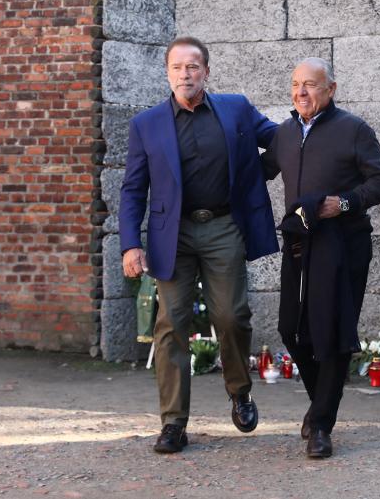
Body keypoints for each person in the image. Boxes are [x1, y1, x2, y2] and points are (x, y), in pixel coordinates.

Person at [119, 36, 278, 454]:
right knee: (171, 324)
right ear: (167, 73)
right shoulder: (147, 124)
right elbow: (133, 189)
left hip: (224, 226)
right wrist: (130, 245)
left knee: (232, 316)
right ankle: (173, 423)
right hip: (172, 236)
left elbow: (279, 142)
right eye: (177, 67)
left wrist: (258, 176)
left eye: (193, 66)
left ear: (206, 71)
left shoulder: (236, 109)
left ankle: (240, 391)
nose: (185, 74)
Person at [262, 57, 380, 458]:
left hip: (344, 243)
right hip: (300, 243)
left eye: (311, 85)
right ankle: (320, 403)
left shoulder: (353, 129)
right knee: (291, 329)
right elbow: (257, 173)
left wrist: (347, 202)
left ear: (331, 89)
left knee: (334, 334)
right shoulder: (283, 134)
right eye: (295, 85)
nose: (301, 92)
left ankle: (321, 424)